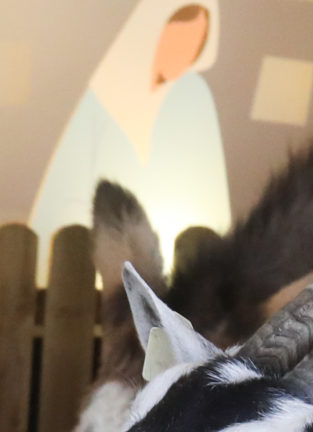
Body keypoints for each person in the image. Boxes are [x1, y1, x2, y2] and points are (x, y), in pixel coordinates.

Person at [29, 0, 230, 273]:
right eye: (177, 38)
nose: (184, 51)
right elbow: (68, 179)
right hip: (95, 259)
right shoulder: (106, 93)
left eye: (194, 42)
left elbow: (208, 180)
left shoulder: (194, 94)